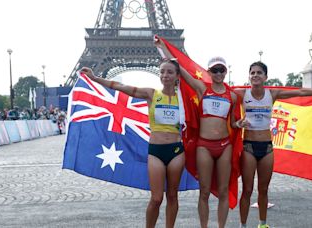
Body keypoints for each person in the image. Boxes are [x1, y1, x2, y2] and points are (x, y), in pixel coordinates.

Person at [234, 61, 312, 228]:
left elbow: (300, 91)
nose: (255, 75)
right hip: (248, 146)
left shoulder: (273, 93)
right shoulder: (241, 93)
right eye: (252, 72)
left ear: (265, 77)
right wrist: (236, 123)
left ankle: (262, 224)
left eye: (259, 73)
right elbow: (220, 94)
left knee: (263, 190)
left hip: (267, 148)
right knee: (247, 190)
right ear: (249, 76)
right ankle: (243, 225)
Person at [80, 59, 185, 228]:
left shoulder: (183, 99)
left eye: (170, 72)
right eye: (162, 72)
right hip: (156, 151)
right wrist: (95, 78)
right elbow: (120, 87)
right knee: (156, 198)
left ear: (177, 76)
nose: (165, 75)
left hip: (176, 151)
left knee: (172, 196)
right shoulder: (152, 94)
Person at [155, 38, 239, 228]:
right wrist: (163, 49)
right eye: (214, 70)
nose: (218, 73)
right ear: (209, 72)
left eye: (221, 70)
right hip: (204, 145)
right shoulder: (202, 88)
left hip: (224, 145)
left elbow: (233, 123)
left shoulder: (233, 95)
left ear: (226, 72)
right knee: (204, 191)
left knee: (224, 190)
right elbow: (181, 72)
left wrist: (239, 123)